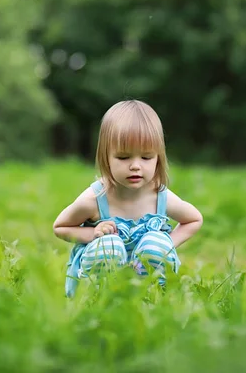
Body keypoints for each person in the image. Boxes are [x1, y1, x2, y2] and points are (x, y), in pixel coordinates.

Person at [53, 100, 203, 297]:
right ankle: (98, 301)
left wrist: (166, 245)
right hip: (100, 274)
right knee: (109, 245)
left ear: (158, 158)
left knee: (156, 242)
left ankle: (151, 298)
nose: (135, 166)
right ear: (106, 157)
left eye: (146, 157)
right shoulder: (96, 198)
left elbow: (194, 219)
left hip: (145, 276)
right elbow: (60, 227)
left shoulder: (158, 196)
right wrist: (93, 234)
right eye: (124, 158)